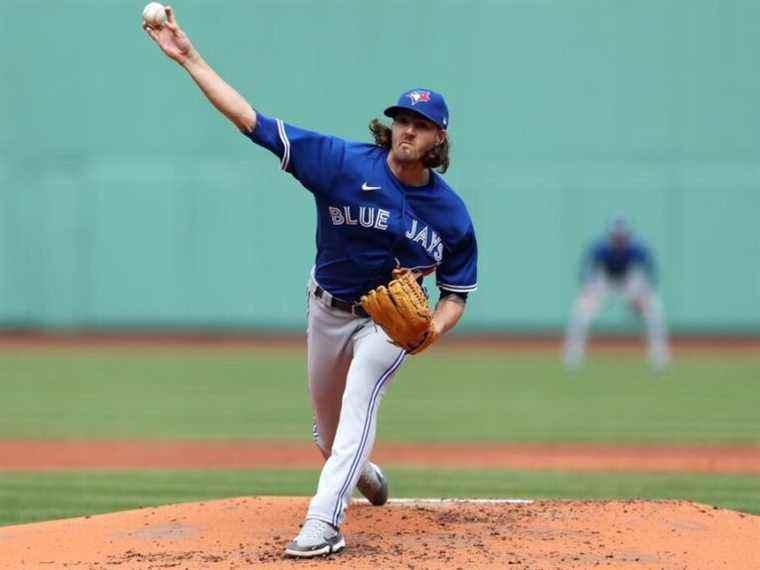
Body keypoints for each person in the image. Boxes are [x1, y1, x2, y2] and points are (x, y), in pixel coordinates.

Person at [143, 6, 478, 559]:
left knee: (360, 403)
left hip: (385, 325)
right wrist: (190, 58)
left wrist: (433, 331)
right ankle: (361, 472)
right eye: (401, 120)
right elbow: (250, 120)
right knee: (328, 437)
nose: (406, 130)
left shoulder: (451, 214)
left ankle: (323, 523)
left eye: (419, 125)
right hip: (326, 308)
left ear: (438, 137)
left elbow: (457, 292)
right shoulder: (341, 162)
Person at [563, 216, 670, 371]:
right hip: (604, 280)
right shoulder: (601, 247)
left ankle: (658, 356)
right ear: (610, 236)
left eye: (622, 237)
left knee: (655, 310)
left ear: (628, 236)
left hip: (629, 280)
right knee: (579, 312)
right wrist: (588, 288)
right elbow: (585, 268)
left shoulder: (636, 247)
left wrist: (644, 293)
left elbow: (651, 270)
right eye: (616, 236)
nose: (619, 240)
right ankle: (573, 356)